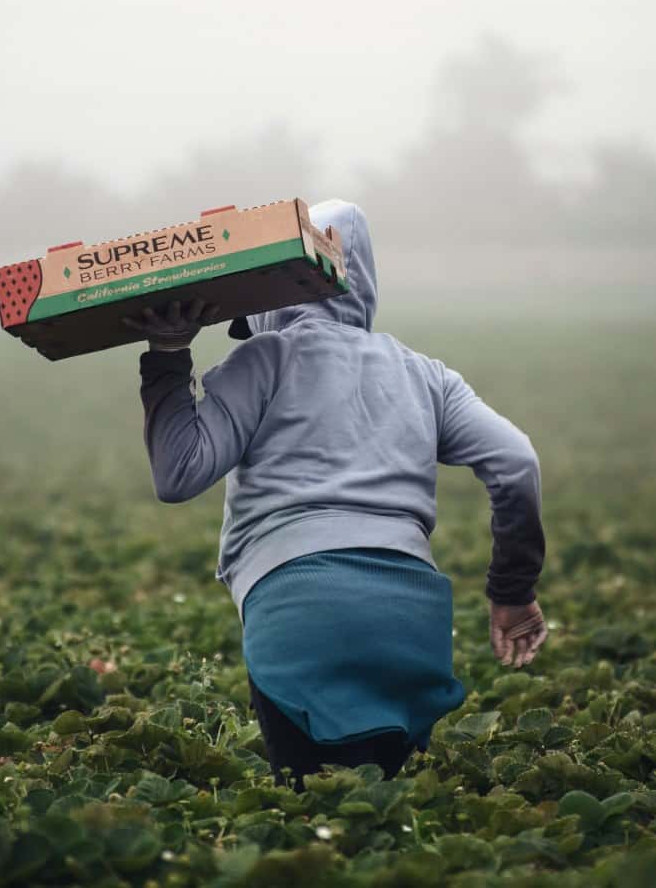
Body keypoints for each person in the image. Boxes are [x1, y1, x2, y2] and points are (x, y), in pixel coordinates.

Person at [122, 198, 547, 792]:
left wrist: (166, 356)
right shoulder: (428, 376)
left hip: (296, 615)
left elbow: (178, 474)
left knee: (307, 813)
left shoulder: (263, 359)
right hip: (413, 622)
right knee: (387, 815)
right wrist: (512, 591)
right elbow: (517, 463)